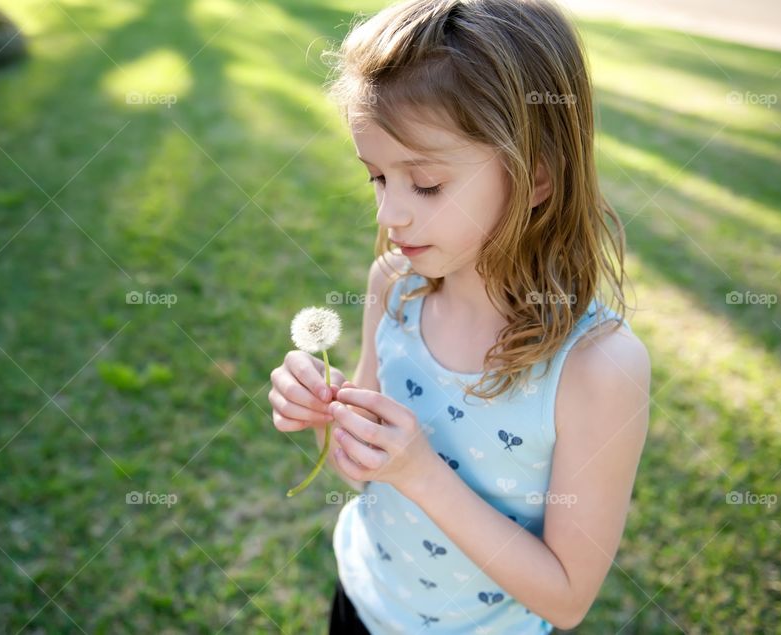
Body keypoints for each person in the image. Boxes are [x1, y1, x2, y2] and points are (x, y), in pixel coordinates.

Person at [268, 0, 651, 632]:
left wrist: (422, 474)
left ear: (537, 179)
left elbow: (567, 597)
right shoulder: (394, 287)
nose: (391, 214)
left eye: (425, 183)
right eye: (376, 179)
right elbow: (361, 466)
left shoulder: (597, 367)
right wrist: (321, 414)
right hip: (362, 598)